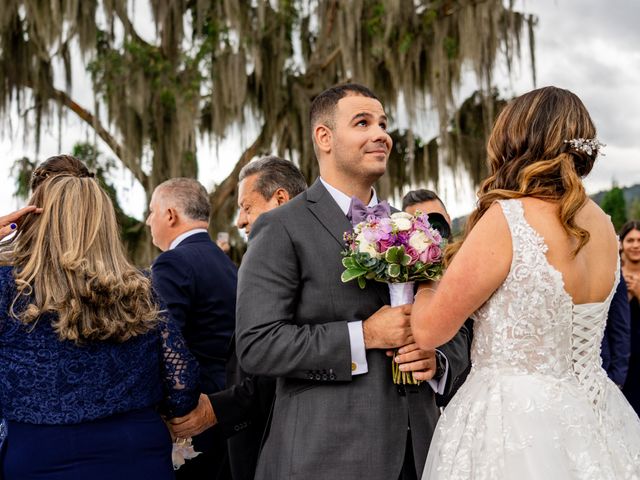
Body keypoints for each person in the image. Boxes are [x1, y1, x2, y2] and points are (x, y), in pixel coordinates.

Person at [234, 83, 471, 479]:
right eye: (362, 123)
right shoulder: (281, 227)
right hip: (326, 456)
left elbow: (458, 326)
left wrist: (437, 359)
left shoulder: (414, 228)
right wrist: (363, 336)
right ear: (324, 138)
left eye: (382, 123)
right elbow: (257, 345)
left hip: (422, 455)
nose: (381, 134)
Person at [412, 86, 640, 479]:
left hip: (510, 420)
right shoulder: (604, 226)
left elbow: (430, 330)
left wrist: (424, 274)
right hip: (594, 416)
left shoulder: (508, 219)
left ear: (516, 138)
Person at [0, 171, 200, 480]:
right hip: (135, 449)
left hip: (39, 452)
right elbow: (182, 381)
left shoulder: (9, 289)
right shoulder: (140, 287)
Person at [170, 155, 308, 480]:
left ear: (280, 199)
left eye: (246, 207)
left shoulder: (303, 263)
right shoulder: (263, 260)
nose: (239, 221)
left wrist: (216, 408)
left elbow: (287, 361)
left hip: (285, 443)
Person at [146, 178, 236, 480]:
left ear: (170, 215)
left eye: (151, 212)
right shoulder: (227, 264)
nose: (148, 221)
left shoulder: (173, 263)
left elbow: (164, 343)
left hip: (193, 413)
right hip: (230, 403)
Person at [621, 220, 640, 414]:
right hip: (623, 355)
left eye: (639, 240)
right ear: (622, 244)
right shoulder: (614, 275)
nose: (635, 245)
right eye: (630, 240)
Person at [601, 275, 631, 388]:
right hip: (552, 369)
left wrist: (618, 377)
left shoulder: (611, 268)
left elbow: (620, 326)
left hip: (601, 370)